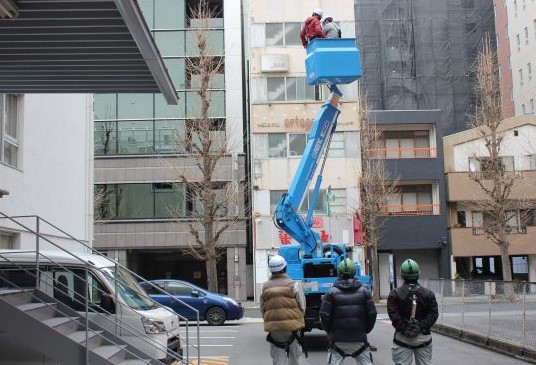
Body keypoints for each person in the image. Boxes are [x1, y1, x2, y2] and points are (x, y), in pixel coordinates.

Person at [320, 258, 377, 365]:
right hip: (359, 339)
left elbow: (324, 316)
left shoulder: (331, 293)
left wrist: (330, 332)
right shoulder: (365, 292)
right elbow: (372, 314)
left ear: (338, 272)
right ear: (354, 272)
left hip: (337, 340)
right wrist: (365, 331)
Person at [387, 259, 439, 365]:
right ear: (418, 274)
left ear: (402, 275)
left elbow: (394, 316)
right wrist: (420, 326)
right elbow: (433, 315)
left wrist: (405, 329)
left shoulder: (394, 294)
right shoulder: (428, 294)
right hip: (424, 338)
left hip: (402, 338)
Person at [261, 255, 306, 365]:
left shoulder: (265, 286)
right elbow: (302, 306)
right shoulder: (293, 285)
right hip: (293, 328)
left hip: (275, 329)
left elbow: (263, 308)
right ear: (285, 268)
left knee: (278, 359)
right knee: (294, 358)